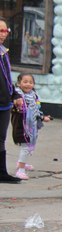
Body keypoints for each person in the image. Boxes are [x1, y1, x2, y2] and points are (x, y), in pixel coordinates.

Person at [10, 73, 50, 179]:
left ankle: (21, 163)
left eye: (31, 82)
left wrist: (42, 117)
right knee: (26, 146)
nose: (28, 84)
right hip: (22, 126)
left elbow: (35, 111)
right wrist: (16, 104)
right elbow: (16, 110)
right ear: (18, 83)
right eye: (25, 82)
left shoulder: (33, 96)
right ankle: (20, 170)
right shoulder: (17, 97)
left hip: (31, 126)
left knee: (27, 146)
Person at [0, 17, 23, 183]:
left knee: (1, 138)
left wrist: (14, 95)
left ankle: (2, 172)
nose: (3, 34)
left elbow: (7, 78)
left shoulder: (3, 52)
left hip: (4, 102)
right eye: (0, 31)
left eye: (5, 31)